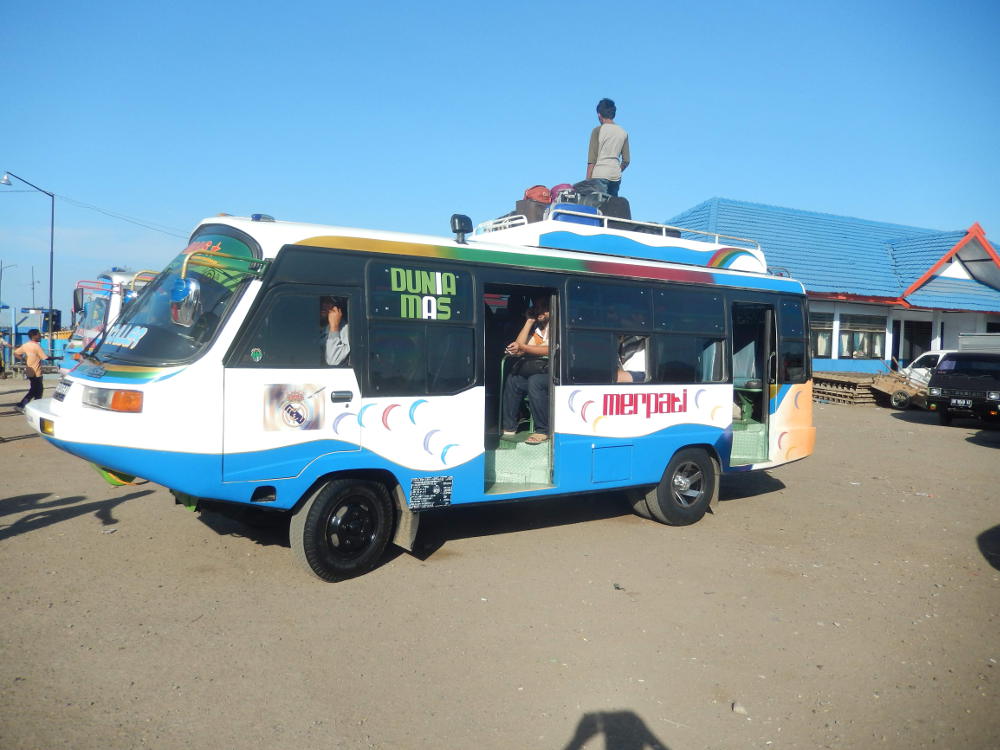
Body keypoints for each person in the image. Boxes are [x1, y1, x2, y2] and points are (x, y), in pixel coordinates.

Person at [501, 298, 551, 445]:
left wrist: (524, 349)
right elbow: (520, 344)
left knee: (535, 381)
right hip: (536, 369)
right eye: (537, 307)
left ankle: (543, 430)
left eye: (543, 308)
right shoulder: (536, 329)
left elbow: (549, 349)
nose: (539, 311)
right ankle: (509, 426)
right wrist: (528, 321)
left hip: (555, 373)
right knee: (514, 380)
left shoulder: (557, 327)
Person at [586, 98, 630, 197]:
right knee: (611, 208)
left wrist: (587, 183)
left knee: (598, 207)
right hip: (615, 176)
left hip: (599, 175)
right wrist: (617, 170)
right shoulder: (623, 132)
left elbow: (591, 161)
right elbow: (626, 160)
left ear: (599, 115)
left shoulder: (597, 131)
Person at [14, 329, 48, 413]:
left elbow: (16, 353)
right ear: (34, 336)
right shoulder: (37, 346)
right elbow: (46, 357)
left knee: (37, 390)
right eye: (39, 334)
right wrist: (59, 358)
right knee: (36, 390)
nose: (40, 336)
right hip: (36, 372)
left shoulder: (26, 345)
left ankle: (37, 407)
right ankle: (22, 405)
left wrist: (23, 359)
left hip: (29, 371)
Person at [320, 296, 350, 366]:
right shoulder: (308, 326)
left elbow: (333, 361)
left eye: (329, 302)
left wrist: (334, 327)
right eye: (322, 301)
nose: (324, 305)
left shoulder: (345, 328)